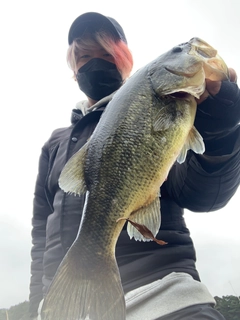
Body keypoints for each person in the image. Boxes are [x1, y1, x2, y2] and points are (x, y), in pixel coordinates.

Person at [29, 12, 240, 320]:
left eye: (106, 53)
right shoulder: (55, 145)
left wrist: (219, 132)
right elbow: (40, 236)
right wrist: (40, 303)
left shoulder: (172, 104)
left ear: (125, 60)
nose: (95, 62)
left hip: (164, 298)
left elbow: (203, 195)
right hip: (63, 308)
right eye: (85, 56)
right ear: (74, 71)